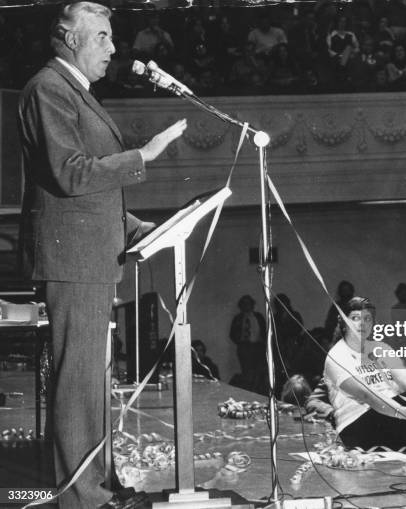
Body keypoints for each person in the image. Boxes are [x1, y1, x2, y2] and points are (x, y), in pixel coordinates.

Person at [17, 3, 187, 508]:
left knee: (94, 381)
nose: (114, 49)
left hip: (91, 256)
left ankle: (99, 486)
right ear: (70, 39)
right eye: (103, 38)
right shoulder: (49, 88)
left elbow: (84, 191)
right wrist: (144, 156)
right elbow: (70, 173)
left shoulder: (72, 91)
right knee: (78, 382)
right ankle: (82, 497)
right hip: (74, 263)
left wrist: (136, 227)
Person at [323, 296, 406, 451]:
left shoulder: (381, 347)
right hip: (356, 425)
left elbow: (404, 376)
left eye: (367, 318)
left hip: (391, 413)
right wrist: (404, 412)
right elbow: (368, 395)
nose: (362, 323)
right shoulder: (337, 355)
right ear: (343, 322)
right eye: (355, 318)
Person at [229, 294, 266, 392]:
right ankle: (249, 391)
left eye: (248, 303)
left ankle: (257, 391)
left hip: (258, 347)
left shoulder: (258, 317)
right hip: (244, 348)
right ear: (241, 306)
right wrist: (240, 342)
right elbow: (232, 334)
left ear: (252, 305)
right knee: (246, 371)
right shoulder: (238, 318)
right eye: (244, 304)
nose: (246, 306)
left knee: (258, 371)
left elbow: (265, 331)